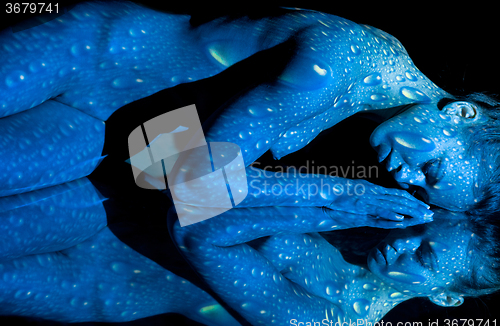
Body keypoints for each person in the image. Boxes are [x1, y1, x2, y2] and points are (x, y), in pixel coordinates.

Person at [1, 0, 488, 220]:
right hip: (82, 55)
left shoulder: (370, 103)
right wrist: (342, 193)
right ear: (462, 115)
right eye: (431, 167)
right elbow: (196, 189)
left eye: (421, 188)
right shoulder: (345, 62)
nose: (408, 179)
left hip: (104, 130)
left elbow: (168, 175)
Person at [170, 204, 500, 326]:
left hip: (127, 272)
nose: (401, 244)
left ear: (445, 299)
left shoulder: (339, 321)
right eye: (417, 231)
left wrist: (322, 200)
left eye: (424, 257)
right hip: (139, 194)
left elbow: (194, 234)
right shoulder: (362, 229)